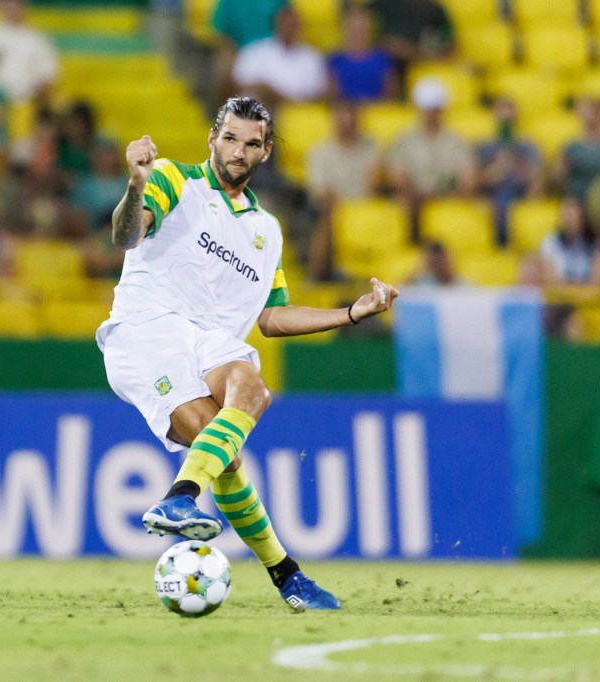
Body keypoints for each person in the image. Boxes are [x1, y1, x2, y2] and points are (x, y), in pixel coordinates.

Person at [96, 96, 399, 611]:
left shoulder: (266, 230)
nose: (239, 151)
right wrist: (135, 185)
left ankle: (207, 518)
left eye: (251, 143)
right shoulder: (173, 179)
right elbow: (126, 235)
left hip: (207, 340)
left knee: (249, 399)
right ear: (212, 139)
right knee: (224, 456)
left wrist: (351, 312)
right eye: (230, 138)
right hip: (147, 330)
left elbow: (272, 317)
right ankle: (279, 568)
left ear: (266, 151)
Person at [384, 78, 476, 240]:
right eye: (426, 109)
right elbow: (398, 179)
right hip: (415, 204)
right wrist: (419, 197)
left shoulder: (457, 142)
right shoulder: (403, 141)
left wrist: (446, 196)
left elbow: (468, 180)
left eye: (434, 109)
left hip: (449, 202)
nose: (430, 114)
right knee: (402, 203)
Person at [304, 101, 382, 280]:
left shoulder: (371, 148)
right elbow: (320, 191)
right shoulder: (319, 152)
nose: (347, 126)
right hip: (332, 210)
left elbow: (375, 186)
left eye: (351, 121)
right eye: (342, 121)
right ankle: (321, 275)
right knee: (327, 214)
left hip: (364, 209)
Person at [231, 6, 328, 108]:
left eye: (292, 25)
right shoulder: (255, 52)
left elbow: (319, 93)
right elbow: (239, 84)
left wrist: (280, 97)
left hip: (298, 111)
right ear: (276, 25)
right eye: (285, 24)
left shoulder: (312, 58)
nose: (288, 29)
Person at [478, 97, 544, 245]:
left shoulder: (528, 147)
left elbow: (537, 182)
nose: (506, 125)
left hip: (519, 202)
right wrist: (498, 167)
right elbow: (476, 184)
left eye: (509, 121)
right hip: (492, 203)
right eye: (502, 121)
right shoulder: (485, 147)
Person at [327, 5, 397, 102]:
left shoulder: (383, 59)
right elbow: (332, 96)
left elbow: (391, 96)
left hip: (377, 108)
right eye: (354, 30)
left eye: (362, 29)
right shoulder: (336, 59)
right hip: (346, 108)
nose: (358, 35)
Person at [560, 98, 600, 200]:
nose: (589, 117)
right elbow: (560, 178)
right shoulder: (572, 148)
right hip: (579, 198)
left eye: (593, 112)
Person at [538, 197, 600, 285]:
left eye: (573, 216)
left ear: (583, 218)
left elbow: (598, 280)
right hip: (558, 293)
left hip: (587, 293)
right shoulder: (550, 242)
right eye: (565, 215)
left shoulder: (596, 244)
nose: (568, 220)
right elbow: (548, 278)